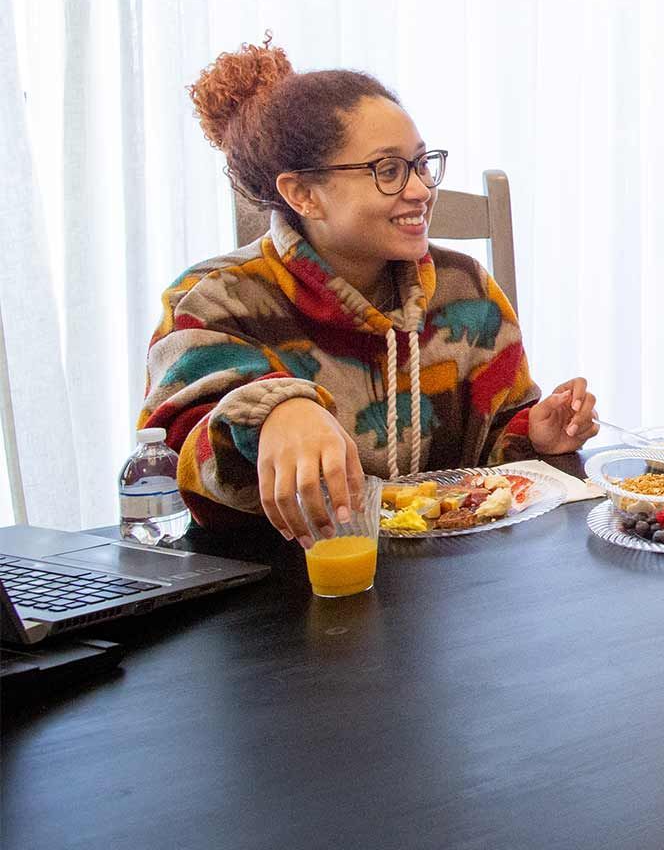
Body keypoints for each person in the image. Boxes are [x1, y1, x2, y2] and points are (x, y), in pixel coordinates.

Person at [140, 37, 600, 546]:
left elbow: (492, 455)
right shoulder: (213, 301)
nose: (421, 190)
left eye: (422, 164)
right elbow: (176, 455)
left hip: (451, 589)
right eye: (388, 170)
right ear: (303, 194)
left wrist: (531, 434)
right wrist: (275, 411)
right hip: (288, 590)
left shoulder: (465, 290)